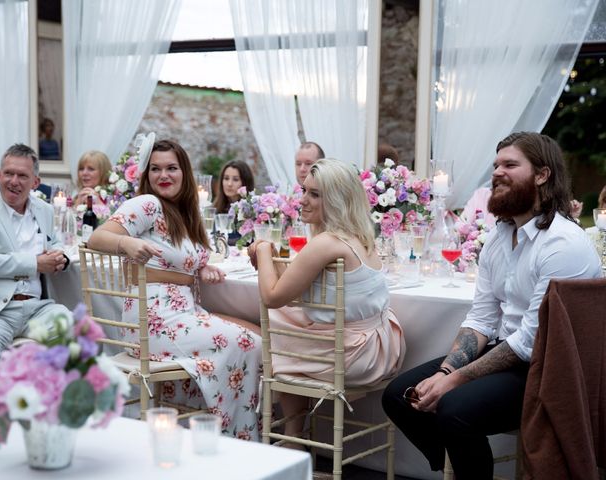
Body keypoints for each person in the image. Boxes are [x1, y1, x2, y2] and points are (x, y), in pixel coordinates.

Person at [381, 132, 602, 480]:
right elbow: (482, 318)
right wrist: (444, 373)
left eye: (510, 165)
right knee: (399, 395)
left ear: (542, 175)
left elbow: (531, 340)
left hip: (553, 368)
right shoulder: (500, 237)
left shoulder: (563, 243)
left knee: (453, 409)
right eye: (496, 165)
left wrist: (453, 381)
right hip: (510, 354)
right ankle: (461, 465)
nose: (497, 172)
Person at [87, 139, 262, 441]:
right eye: (155, 169)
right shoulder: (148, 204)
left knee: (255, 337)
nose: (163, 175)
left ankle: (202, 430)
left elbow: (174, 257)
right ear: (146, 174)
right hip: (153, 322)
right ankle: (232, 438)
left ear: (185, 173)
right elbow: (97, 238)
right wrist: (126, 242)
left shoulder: (181, 212)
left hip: (180, 314)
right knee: (249, 343)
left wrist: (199, 268)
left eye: (171, 168)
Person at [250, 158, 405, 444]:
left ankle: (292, 434)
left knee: (274, 331)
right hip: (382, 343)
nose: (303, 201)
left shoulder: (326, 243)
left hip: (357, 356)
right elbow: (293, 289)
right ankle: (295, 433)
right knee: (288, 322)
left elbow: (272, 297)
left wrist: (262, 249)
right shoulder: (359, 236)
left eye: (315, 194)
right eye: (304, 191)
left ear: (336, 200)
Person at [0, 144, 70, 374]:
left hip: (37, 309)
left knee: (78, 332)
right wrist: (35, 264)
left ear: (35, 182)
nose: (14, 181)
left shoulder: (44, 209)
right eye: (8, 173)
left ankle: (58, 405)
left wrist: (59, 256)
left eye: (22, 175)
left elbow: (53, 242)